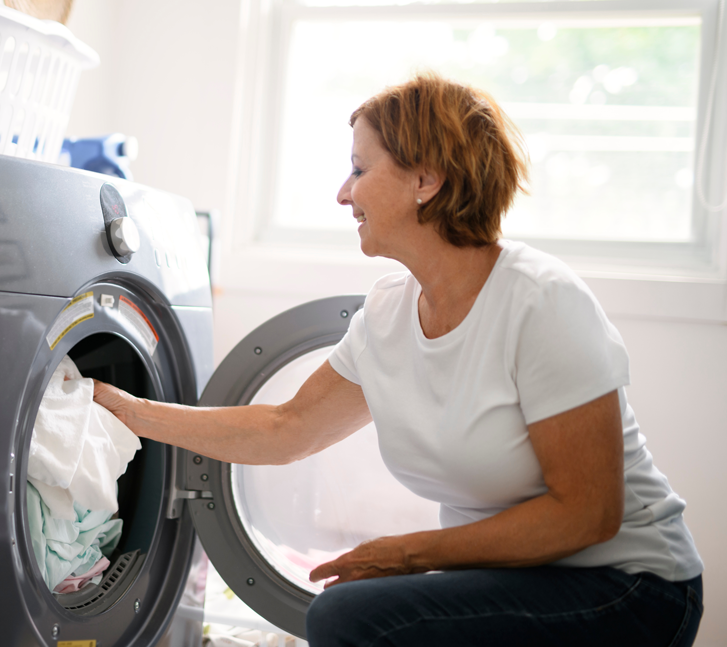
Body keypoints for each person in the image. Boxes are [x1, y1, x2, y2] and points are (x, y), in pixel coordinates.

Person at [92, 72, 704, 646]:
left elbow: (588, 516)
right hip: (517, 578)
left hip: (629, 585)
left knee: (346, 616)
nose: (343, 193)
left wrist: (408, 554)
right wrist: (131, 412)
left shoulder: (541, 301)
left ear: (425, 180)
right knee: (352, 612)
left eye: (359, 169)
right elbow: (286, 428)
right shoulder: (388, 313)